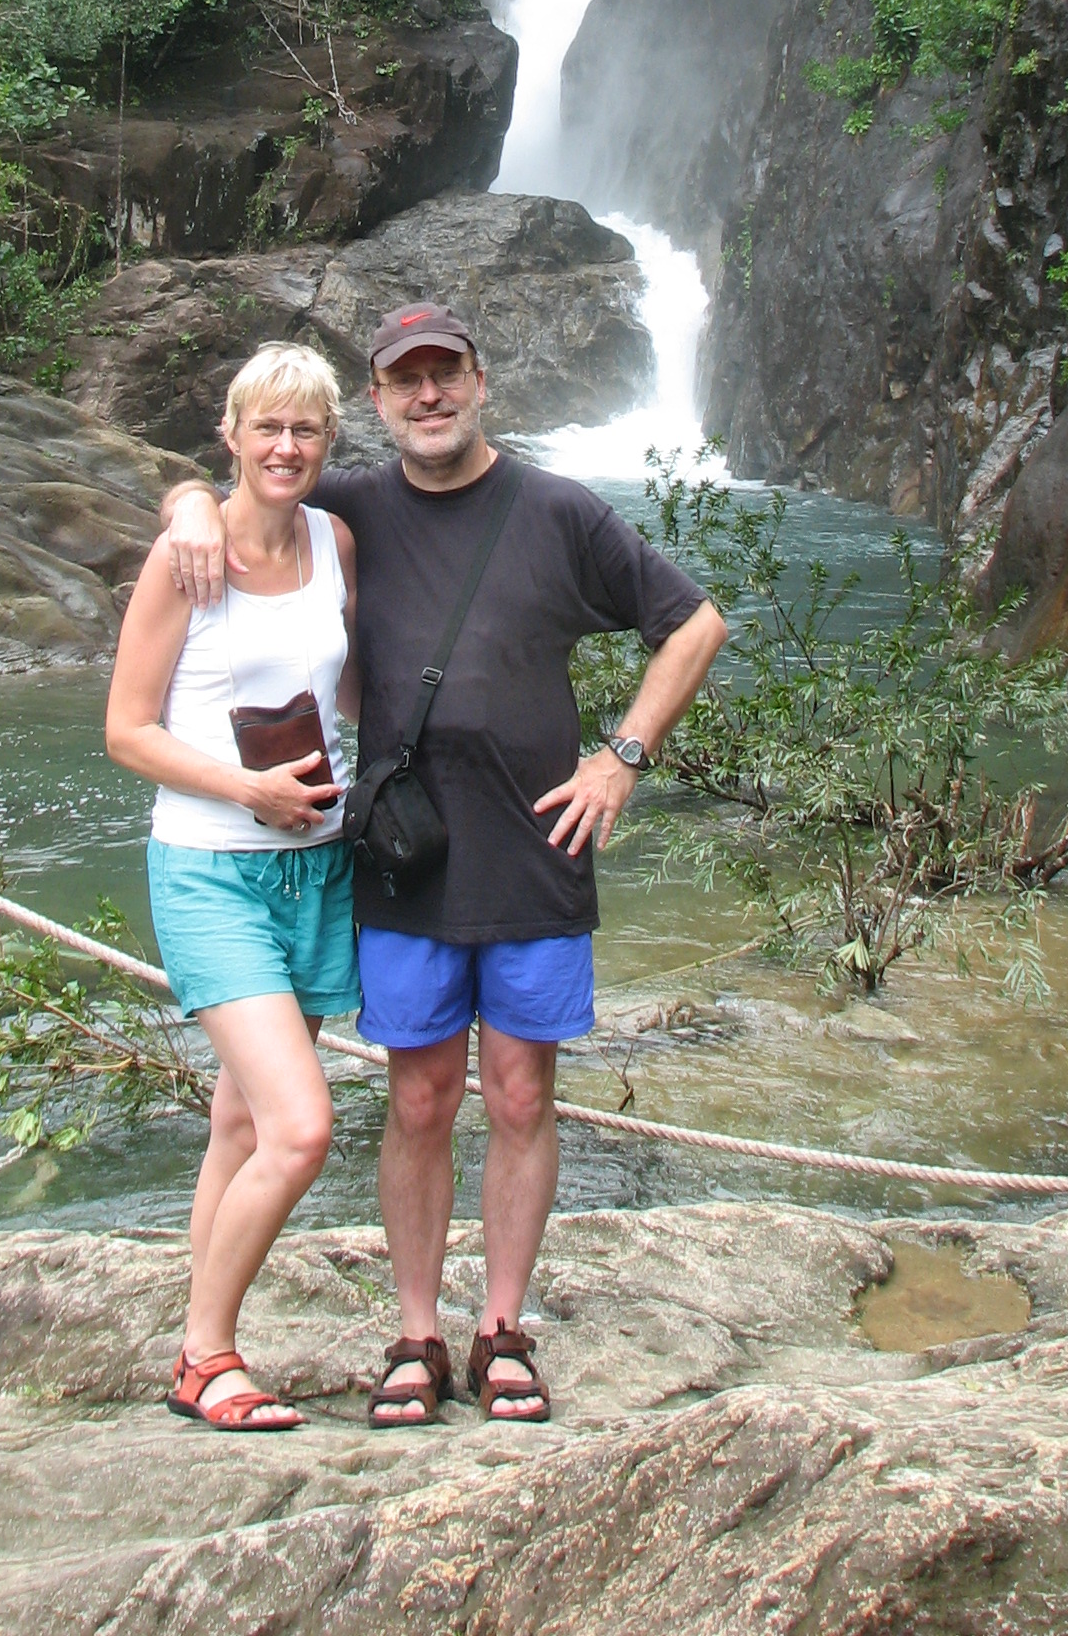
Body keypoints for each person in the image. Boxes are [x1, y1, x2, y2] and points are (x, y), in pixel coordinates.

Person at [160, 302, 727, 1427]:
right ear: (378, 400)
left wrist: (621, 758)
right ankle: (415, 1333)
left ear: (479, 381)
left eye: (446, 373)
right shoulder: (349, 509)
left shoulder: (558, 509)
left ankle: (501, 1328)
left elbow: (695, 623)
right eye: (405, 379)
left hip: (536, 848)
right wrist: (184, 503)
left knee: (520, 1093)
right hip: (405, 857)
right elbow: (243, 483)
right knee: (418, 1098)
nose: (428, 395)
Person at [105, 341, 360, 1434]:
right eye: (268, 426)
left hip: (320, 864)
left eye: (305, 428)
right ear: (232, 434)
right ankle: (208, 1356)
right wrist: (247, 788)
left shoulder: (336, 540)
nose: (286, 446)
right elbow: (126, 731)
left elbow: (355, 689)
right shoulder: (186, 556)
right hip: (212, 868)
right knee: (300, 1127)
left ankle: (193, 1344)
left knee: (242, 1120)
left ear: (330, 438)